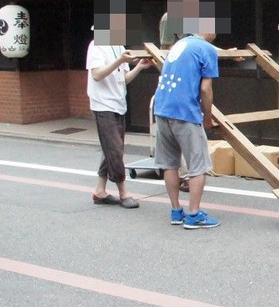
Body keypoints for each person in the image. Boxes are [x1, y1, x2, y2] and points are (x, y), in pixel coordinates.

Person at [153, 29, 220, 229]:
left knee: (170, 164)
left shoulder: (180, 44)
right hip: (184, 111)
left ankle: (176, 211)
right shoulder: (207, 49)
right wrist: (207, 118)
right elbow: (205, 89)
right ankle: (193, 214)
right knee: (198, 166)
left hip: (162, 108)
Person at [87, 35, 151, 209]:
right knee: (115, 148)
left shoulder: (119, 47)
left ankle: (100, 191)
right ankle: (123, 192)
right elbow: (97, 74)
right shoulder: (97, 45)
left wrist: (138, 67)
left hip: (118, 103)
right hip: (102, 104)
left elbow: (124, 79)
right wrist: (120, 60)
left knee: (112, 147)